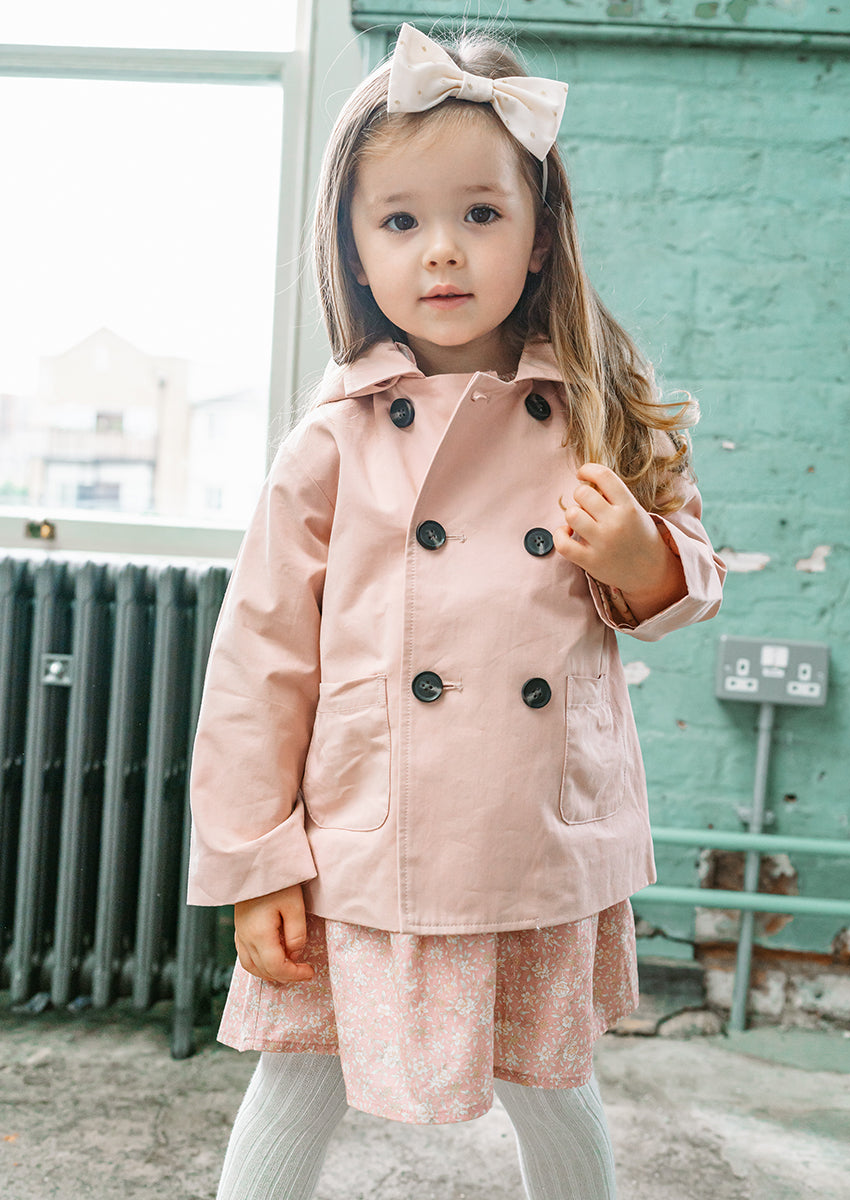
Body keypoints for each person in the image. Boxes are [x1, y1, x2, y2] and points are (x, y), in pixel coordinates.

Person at [188, 22, 725, 1200]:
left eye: (481, 213)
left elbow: (686, 577)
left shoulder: (598, 407)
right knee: (297, 1078)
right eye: (401, 221)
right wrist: (257, 860)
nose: (442, 249)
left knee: (553, 1083)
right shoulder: (332, 440)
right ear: (354, 250)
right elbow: (260, 663)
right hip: (365, 836)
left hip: (533, 831)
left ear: (540, 237)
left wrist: (639, 555)